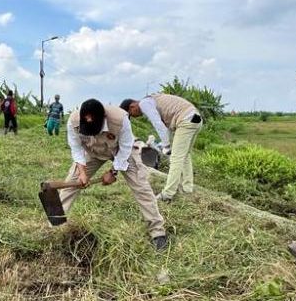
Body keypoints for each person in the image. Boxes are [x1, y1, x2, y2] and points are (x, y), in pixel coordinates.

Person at [60, 99, 168, 251]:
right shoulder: (73, 121)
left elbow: (125, 148)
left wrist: (113, 171)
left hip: (121, 150)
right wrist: (82, 173)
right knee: (71, 184)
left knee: (141, 187)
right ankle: (55, 224)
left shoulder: (120, 119)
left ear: (103, 117)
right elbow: (76, 148)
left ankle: (158, 232)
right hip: (93, 152)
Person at [120, 93, 203, 201]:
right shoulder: (153, 100)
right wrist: (164, 143)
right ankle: (187, 188)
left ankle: (167, 194)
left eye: (131, 114)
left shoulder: (144, 104)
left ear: (132, 106)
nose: (135, 117)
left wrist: (166, 146)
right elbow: (165, 125)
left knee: (175, 158)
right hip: (195, 118)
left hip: (186, 120)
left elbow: (158, 124)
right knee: (185, 155)